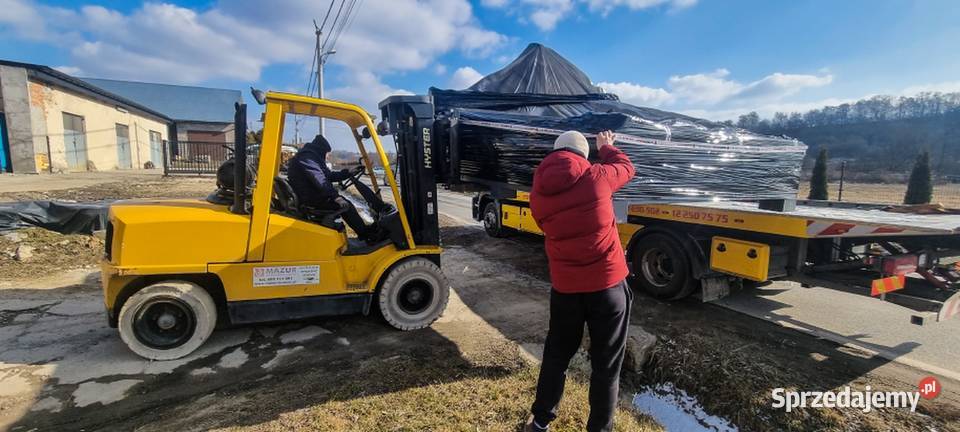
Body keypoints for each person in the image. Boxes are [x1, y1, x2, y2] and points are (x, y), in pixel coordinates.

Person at [526, 130, 636, 432]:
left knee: (556, 357)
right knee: (606, 367)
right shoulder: (598, 177)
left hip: (566, 290)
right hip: (608, 288)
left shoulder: (537, 196)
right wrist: (607, 148)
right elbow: (627, 168)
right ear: (583, 155)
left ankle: (540, 422)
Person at [287, 134, 373, 240]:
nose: (327, 156)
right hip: (310, 199)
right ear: (322, 150)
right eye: (327, 153)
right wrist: (336, 197)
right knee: (347, 206)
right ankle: (367, 235)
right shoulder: (308, 158)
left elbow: (328, 176)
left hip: (310, 195)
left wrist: (348, 173)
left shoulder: (312, 157)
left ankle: (365, 232)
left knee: (345, 203)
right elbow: (319, 180)